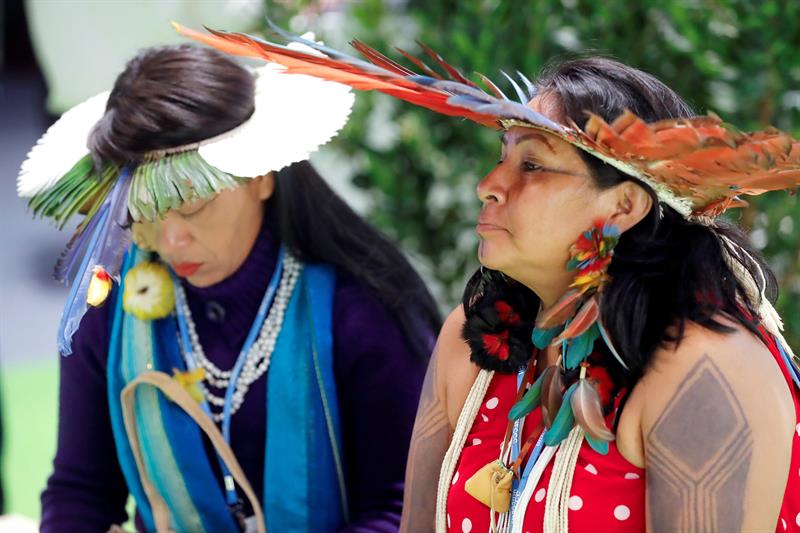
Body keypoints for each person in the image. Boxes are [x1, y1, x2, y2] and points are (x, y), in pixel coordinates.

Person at [175, 25, 800, 532]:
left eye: (533, 163)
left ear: (624, 207)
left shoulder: (706, 370)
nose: (490, 184)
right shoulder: (471, 343)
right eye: (501, 157)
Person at [19, 43, 440, 532]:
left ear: (260, 177)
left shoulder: (361, 310)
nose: (171, 240)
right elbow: (82, 490)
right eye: (145, 210)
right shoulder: (111, 305)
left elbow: (402, 509)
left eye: (193, 206)